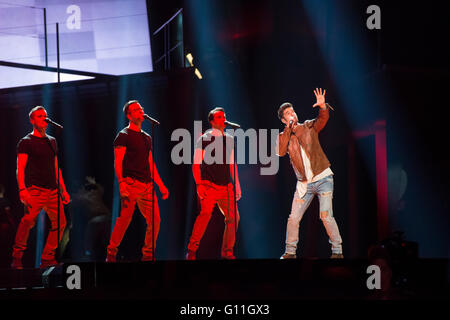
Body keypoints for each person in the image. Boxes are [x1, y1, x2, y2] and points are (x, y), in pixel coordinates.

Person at [277, 88, 343, 259]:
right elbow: (281, 151)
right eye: (288, 114)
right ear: (284, 120)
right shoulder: (283, 136)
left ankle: (337, 251)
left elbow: (322, 119)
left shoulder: (307, 126)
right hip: (304, 184)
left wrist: (323, 107)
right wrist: (288, 130)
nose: (292, 114)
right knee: (293, 218)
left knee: (325, 215)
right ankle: (290, 252)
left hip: (323, 178)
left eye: (293, 111)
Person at [106, 100, 169, 262]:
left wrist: (161, 186)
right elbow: (117, 161)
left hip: (147, 185)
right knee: (125, 219)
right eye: (135, 110)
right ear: (129, 115)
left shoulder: (146, 137)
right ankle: (111, 252)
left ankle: (148, 254)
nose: (140, 111)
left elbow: (150, 163)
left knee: (155, 220)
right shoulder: (123, 135)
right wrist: (121, 184)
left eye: (141, 108)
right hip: (130, 183)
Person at [11, 106, 70, 269]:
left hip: (52, 191)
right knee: (28, 221)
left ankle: (47, 257)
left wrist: (63, 189)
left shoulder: (52, 141)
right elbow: (20, 167)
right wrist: (22, 190)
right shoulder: (26, 142)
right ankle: (17, 257)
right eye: (39, 116)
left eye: (45, 115)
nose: (43, 118)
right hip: (34, 190)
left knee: (61, 223)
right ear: (32, 120)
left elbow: (56, 167)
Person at [186, 107, 241, 260]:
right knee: (204, 216)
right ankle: (191, 250)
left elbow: (232, 163)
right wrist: (199, 185)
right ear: (212, 121)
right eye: (219, 117)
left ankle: (227, 252)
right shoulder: (204, 139)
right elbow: (196, 164)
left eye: (224, 116)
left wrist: (236, 184)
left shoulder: (229, 139)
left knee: (234, 218)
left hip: (226, 187)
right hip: (209, 186)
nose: (223, 119)